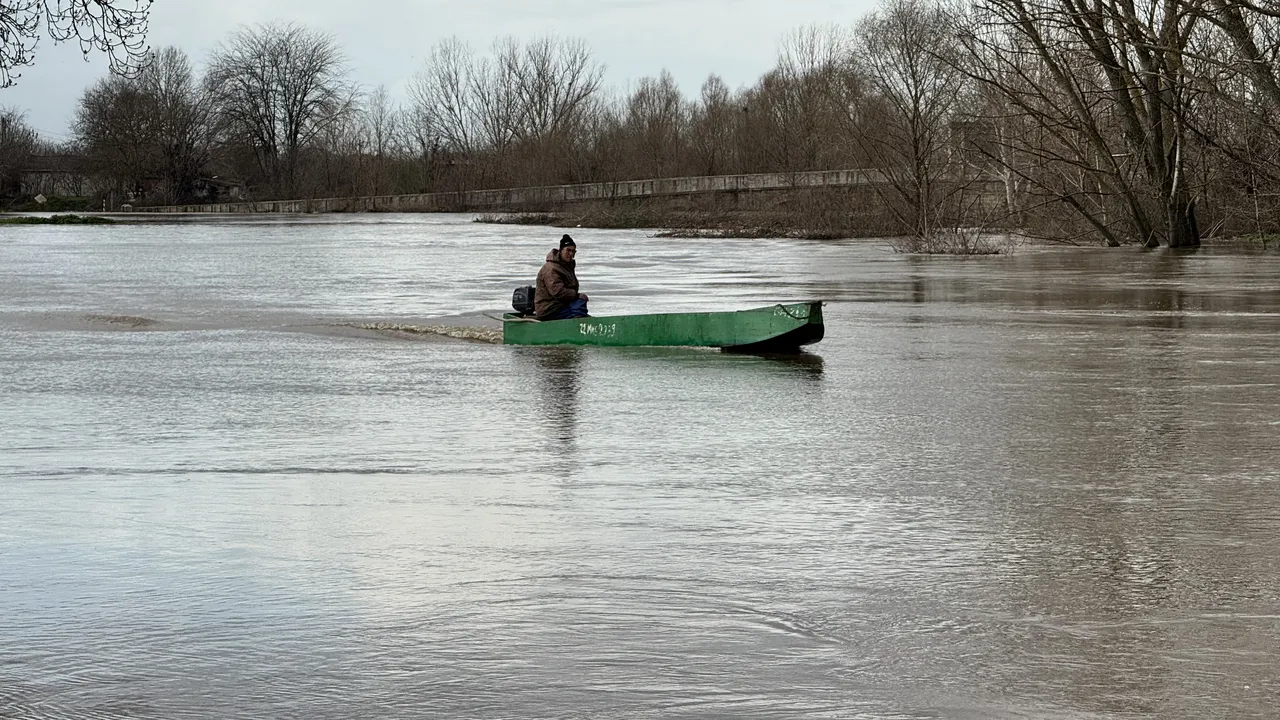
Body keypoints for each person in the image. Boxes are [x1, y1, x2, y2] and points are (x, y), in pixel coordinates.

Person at [534, 234, 589, 320]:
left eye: (573, 251)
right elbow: (558, 292)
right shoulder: (551, 268)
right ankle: (578, 328)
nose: (571, 254)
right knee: (579, 303)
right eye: (568, 250)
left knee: (580, 303)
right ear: (561, 250)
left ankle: (579, 324)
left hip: (560, 305)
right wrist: (576, 295)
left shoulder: (566, 266)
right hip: (549, 308)